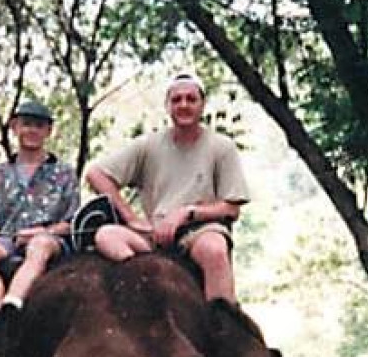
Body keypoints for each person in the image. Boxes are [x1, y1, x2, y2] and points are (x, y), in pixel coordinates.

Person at [85, 73, 251, 302]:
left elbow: (232, 209)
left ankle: (223, 323)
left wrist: (186, 213)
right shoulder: (148, 145)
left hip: (199, 230)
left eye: (191, 99)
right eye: (177, 100)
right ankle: (150, 288)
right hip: (154, 234)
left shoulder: (221, 147)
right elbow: (96, 174)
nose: (183, 105)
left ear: (202, 105)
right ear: (167, 106)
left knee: (215, 249)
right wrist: (132, 218)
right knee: (106, 236)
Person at [0, 100, 80, 315]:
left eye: (39, 125)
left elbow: (73, 224)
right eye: (26, 124)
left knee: (39, 245)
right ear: (15, 127)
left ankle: (11, 306)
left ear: (48, 131)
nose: (32, 130)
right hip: (8, 239)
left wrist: (43, 232)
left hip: (49, 242)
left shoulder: (64, 174)